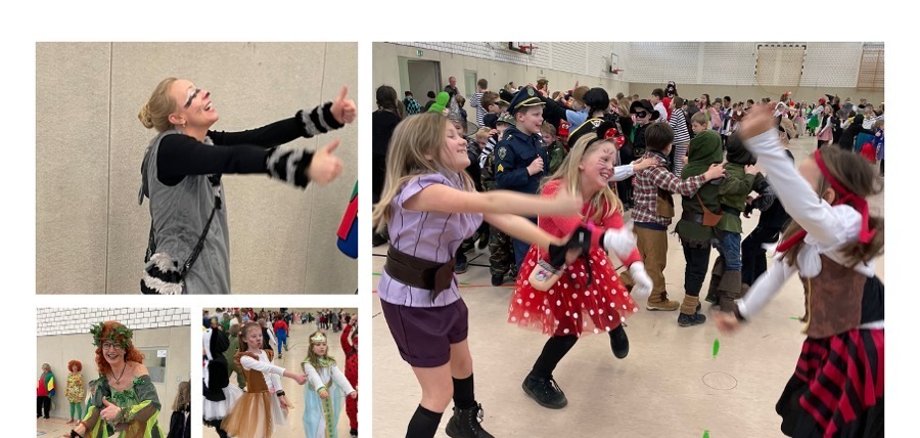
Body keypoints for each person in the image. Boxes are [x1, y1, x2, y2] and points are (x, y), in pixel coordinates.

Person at [372, 109, 581, 438]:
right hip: (410, 300)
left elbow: (500, 216)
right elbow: (495, 201)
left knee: (463, 363)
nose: (462, 140)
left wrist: (554, 245)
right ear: (426, 152)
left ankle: (464, 422)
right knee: (437, 394)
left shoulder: (457, 180)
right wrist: (553, 206)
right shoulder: (421, 189)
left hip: (444, 288)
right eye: (451, 137)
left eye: (459, 133)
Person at [715, 104, 884, 437]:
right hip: (828, 341)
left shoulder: (847, 226)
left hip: (862, 347)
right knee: (808, 420)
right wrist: (742, 313)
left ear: (831, 195)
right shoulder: (806, 238)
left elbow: (800, 204)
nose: (789, 194)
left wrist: (764, 142)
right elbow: (775, 275)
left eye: (800, 185)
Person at [138, 78, 353, 294]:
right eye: (191, 95)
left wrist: (327, 116)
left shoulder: (203, 141)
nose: (204, 93)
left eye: (198, 89)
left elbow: (257, 138)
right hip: (184, 282)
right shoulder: (170, 147)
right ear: (177, 118)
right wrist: (303, 165)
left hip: (206, 271)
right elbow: (232, 158)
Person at [509, 127, 655, 409]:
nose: (610, 167)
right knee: (569, 328)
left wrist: (636, 266)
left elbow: (618, 234)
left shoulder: (604, 196)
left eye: (613, 162)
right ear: (580, 161)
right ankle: (537, 377)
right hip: (559, 269)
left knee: (607, 297)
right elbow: (575, 230)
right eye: (604, 159)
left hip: (590, 262)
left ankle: (613, 324)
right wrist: (610, 238)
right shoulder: (556, 191)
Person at [629, 122, 725, 323]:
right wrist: (708, 175)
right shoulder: (656, 168)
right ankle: (656, 298)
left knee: (640, 262)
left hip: (640, 219)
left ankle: (615, 292)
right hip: (652, 223)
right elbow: (681, 187)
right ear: (668, 146)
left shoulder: (643, 160)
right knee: (655, 263)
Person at [66, 321, 164, 438]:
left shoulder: (137, 371)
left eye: (117, 345)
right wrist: (78, 431)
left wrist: (121, 413)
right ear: (101, 349)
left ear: (125, 349)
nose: (111, 350)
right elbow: (98, 408)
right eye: (106, 345)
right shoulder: (105, 376)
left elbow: (152, 405)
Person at [495, 86, 553, 270]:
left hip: (540, 208)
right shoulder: (507, 145)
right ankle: (524, 294)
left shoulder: (538, 141)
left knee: (543, 256)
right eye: (536, 114)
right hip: (522, 210)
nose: (541, 119)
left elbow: (545, 173)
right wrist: (527, 171)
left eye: (541, 114)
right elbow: (502, 179)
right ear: (520, 117)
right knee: (526, 259)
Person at [675, 112, 725, 315]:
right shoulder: (717, 173)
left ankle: (691, 301)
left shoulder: (688, 170)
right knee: (698, 269)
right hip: (702, 230)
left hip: (685, 226)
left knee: (690, 265)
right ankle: (688, 312)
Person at [222, 322, 308, 438]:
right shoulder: (245, 358)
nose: (258, 339)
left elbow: (273, 375)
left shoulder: (266, 353)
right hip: (256, 399)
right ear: (244, 339)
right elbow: (268, 367)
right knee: (258, 431)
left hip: (270, 396)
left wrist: (280, 394)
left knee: (270, 428)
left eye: (260, 335)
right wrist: (294, 376)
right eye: (253, 336)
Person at [302, 331, 357, 438]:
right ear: (312, 347)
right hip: (315, 397)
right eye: (318, 345)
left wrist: (349, 389)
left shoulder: (330, 362)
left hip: (328, 395)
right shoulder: (308, 363)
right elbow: (314, 376)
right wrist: (320, 388)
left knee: (330, 420)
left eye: (324, 344)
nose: (322, 347)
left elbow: (338, 375)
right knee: (317, 422)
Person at [204, 322, 242, 438]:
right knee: (222, 426)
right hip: (219, 393)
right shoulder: (217, 358)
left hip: (219, 396)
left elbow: (214, 384)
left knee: (222, 426)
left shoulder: (216, 361)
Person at [341, 317, 359, 437]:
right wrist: (350, 324)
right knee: (351, 410)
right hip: (350, 388)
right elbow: (343, 339)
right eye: (356, 341)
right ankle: (354, 427)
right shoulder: (349, 351)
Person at [66, 360, 86, 425]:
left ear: (78, 367)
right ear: (71, 367)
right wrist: (66, 392)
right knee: (71, 406)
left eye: (76, 366)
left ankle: (79, 419)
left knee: (78, 406)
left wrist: (81, 394)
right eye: (73, 366)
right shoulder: (69, 375)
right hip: (70, 393)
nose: (74, 368)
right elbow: (67, 384)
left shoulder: (80, 375)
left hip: (77, 393)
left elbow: (82, 385)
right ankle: (71, 418)